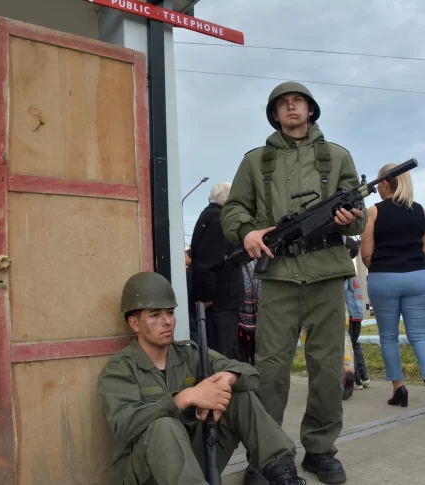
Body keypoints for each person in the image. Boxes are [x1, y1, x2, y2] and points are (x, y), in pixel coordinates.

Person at [222, 81, 367, 484]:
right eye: (283, 104)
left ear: (310, 109)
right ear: (274, 114)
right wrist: (248, 233)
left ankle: (320, 450)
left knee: (325, 368)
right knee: (270, 370)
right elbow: (234, 209)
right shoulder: (256, 161)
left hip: (326, 273)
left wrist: (349, 219)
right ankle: (266, 454)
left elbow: (358, 214)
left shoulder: (337, 156)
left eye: (297, 102)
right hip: (280, 276)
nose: (291, 108)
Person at [97, 272, 305, 485]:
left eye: (170, 312)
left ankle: (283, 473)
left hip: (189, 469)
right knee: (163, 425)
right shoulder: (119, 369)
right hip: (145, 474)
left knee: (238, 397)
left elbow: (249, 374)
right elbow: (124, 425)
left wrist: (228, 379)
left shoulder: (189, 354)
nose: (167, 322)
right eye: (155, 315)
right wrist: (184, 398)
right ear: (134, 323)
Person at [359, 163, 425, 415]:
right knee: (419, 335)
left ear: (384, 183)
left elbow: (366, 253)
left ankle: (399, 387)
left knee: (388, 336)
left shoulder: (374, 211)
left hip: (384, 277)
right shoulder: (421, 211)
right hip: (418, 277)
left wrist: (383, 266)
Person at [190, 182, 244, 359]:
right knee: (223, 354)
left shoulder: (208, 216)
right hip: (220, 301)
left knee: (222, 349)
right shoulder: (219, 220)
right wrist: (206, 297)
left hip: (218, 300)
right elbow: (208, 263)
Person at [343, 237, 369, 391]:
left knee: (349, 346)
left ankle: (356, 378)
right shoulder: (351, 269)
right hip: (356, 313)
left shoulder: (344, 270)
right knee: (355, 344)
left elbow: (341, 291)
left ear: (347, 251)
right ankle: (364, 376)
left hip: (349, 313)